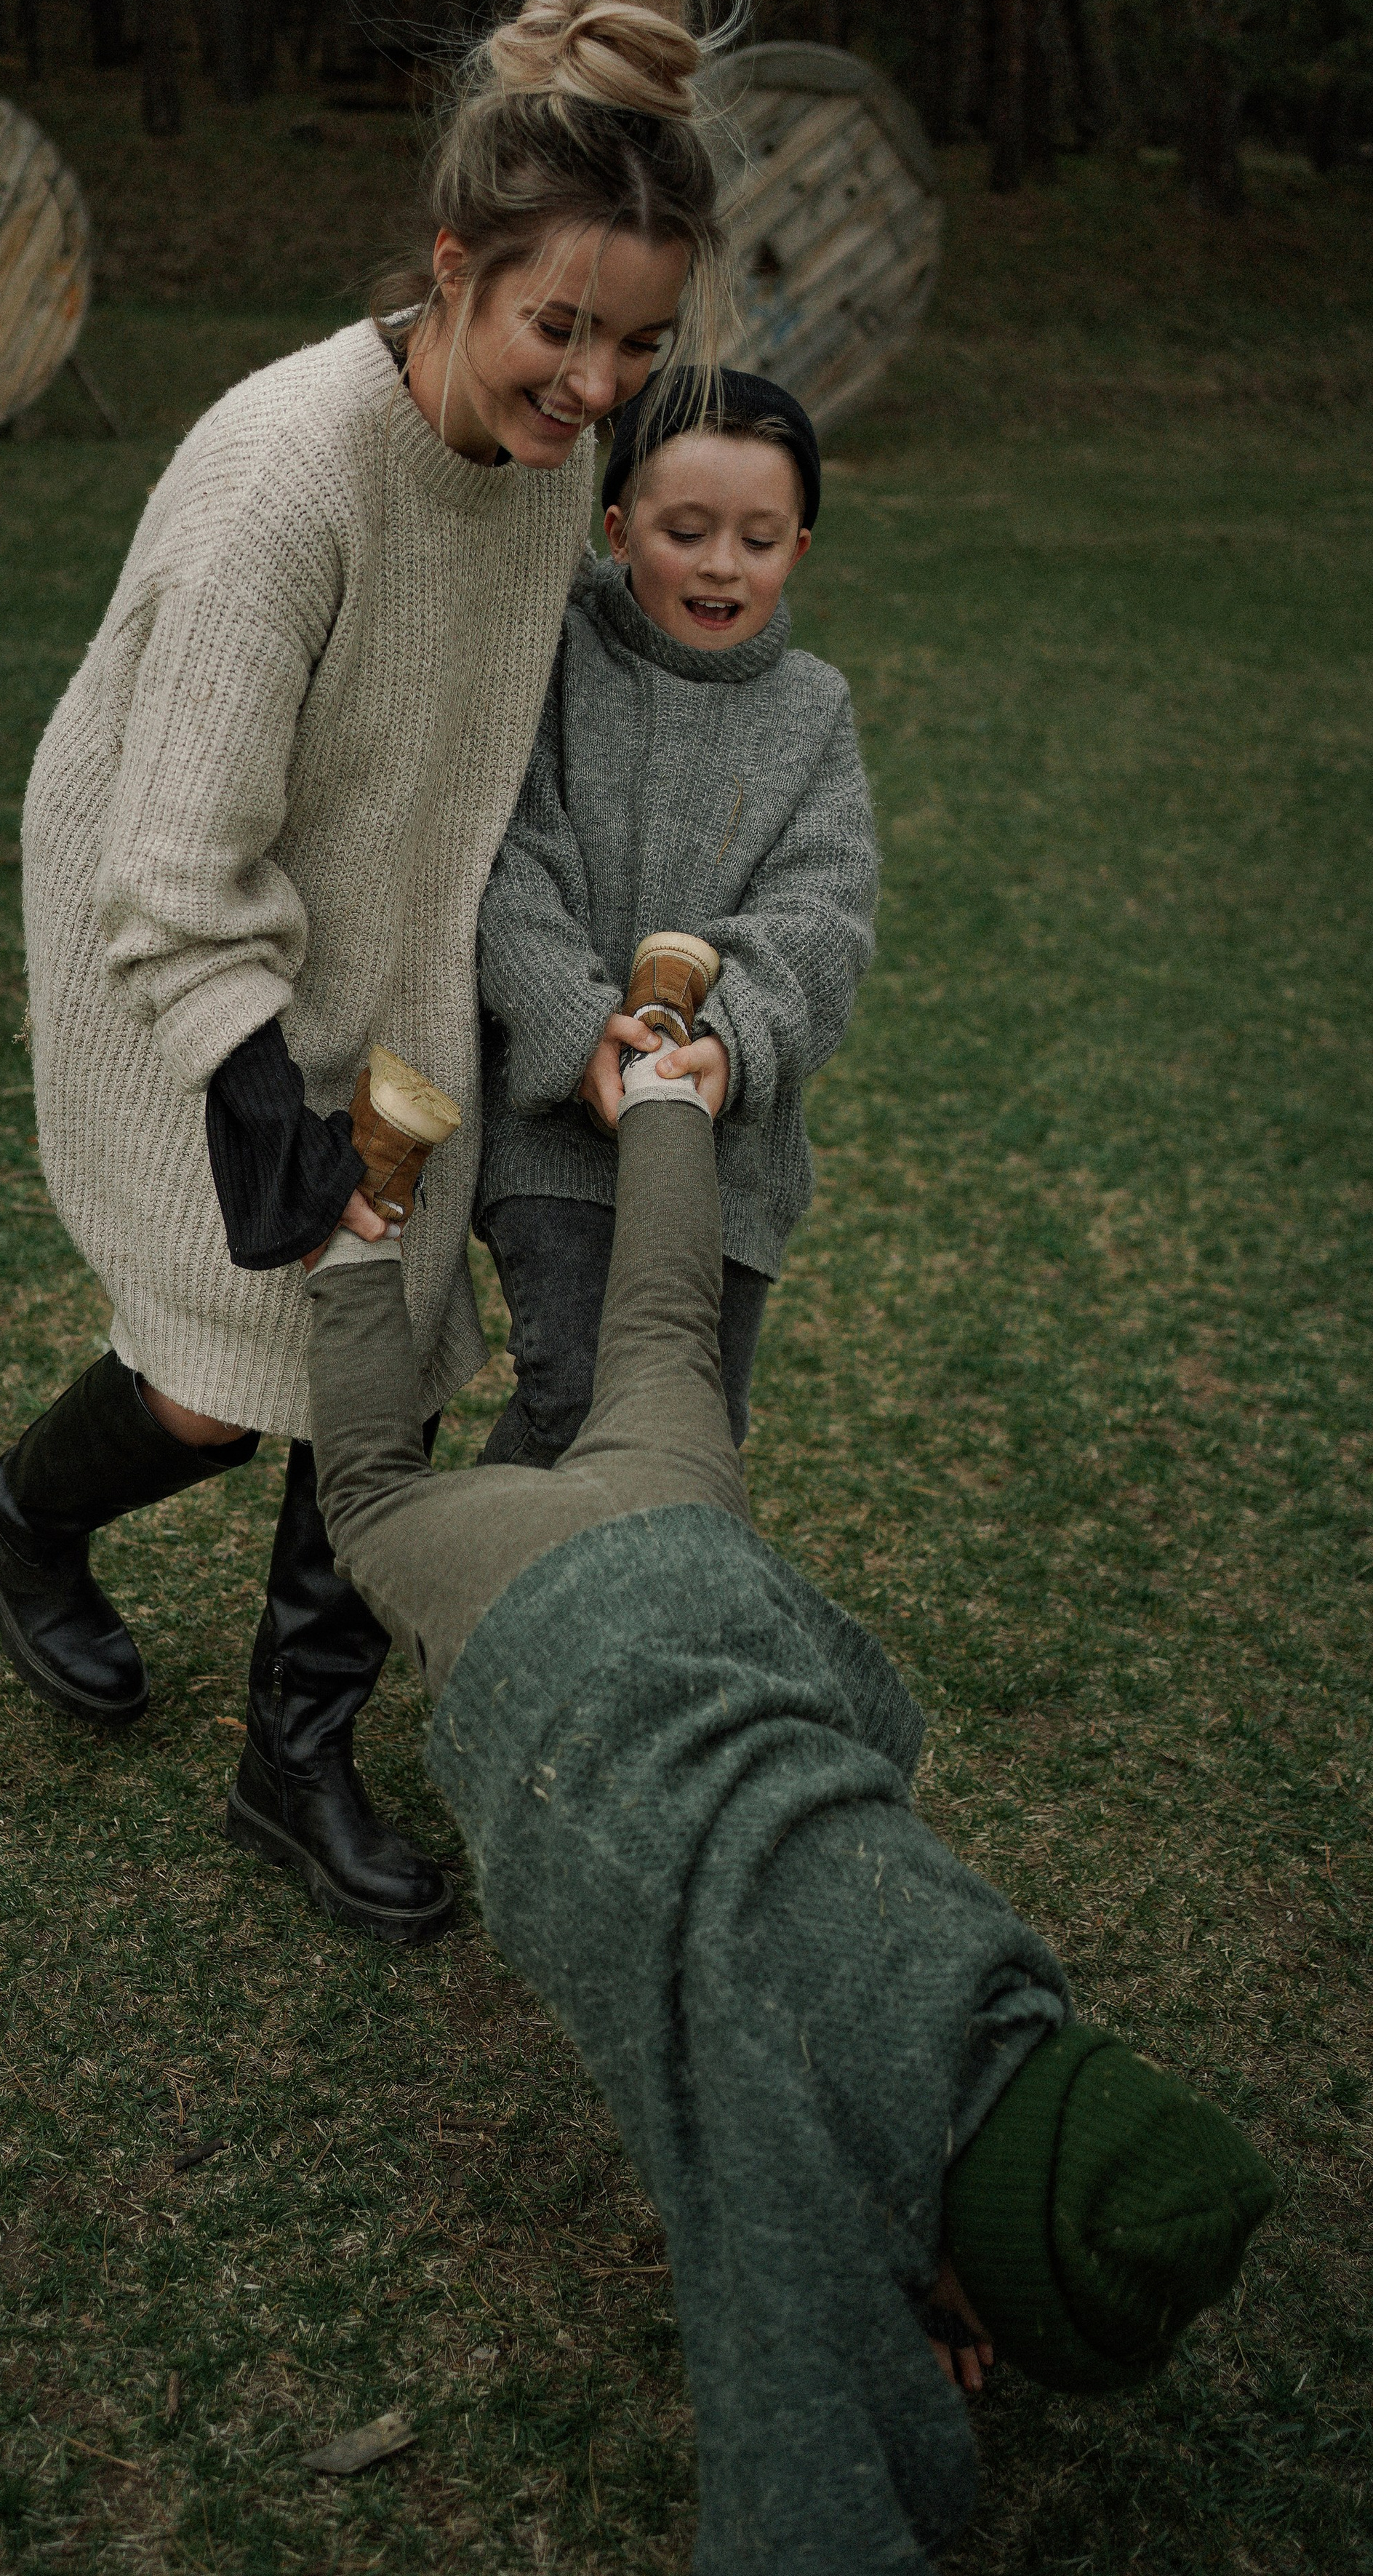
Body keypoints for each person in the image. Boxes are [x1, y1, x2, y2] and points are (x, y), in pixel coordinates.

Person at [0, 0, 738, 1946]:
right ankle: (18, 1528)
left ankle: (294, 1754)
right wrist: (248, 1099)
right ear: (456, 261)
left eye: (638, 350)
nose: (596, 390)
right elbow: (174, 854)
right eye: (563, 330)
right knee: (228, 1384)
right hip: (183, 935)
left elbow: (476, 733)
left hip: (395, 931)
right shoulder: (283, 482)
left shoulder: (544, 470)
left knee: (388, 1353)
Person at [299, 1043, 1276, 2572]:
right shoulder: (779, 2119)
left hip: (688, 1559)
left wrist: (954, 2267)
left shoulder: (998, 1981)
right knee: (363, 1495)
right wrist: (921, 2308)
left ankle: (662, 1097)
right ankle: (355, 1229)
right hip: (527, 1613)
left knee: (662, 1345)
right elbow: (782, 2350)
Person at [475, 365, 878, 1467]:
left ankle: (618, 1628)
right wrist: (575, 1016)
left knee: (691, 1426)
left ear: (797, 548)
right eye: (685, 530)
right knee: (579, 1396)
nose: (718, 565)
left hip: (724, 1146)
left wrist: (730, 1044)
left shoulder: (813, 710)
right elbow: (510, 858)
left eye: (757, 538)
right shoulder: (554, 660)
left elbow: (823, 912)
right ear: (617, 528)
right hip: (556, 1124)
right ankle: (471, 1617)